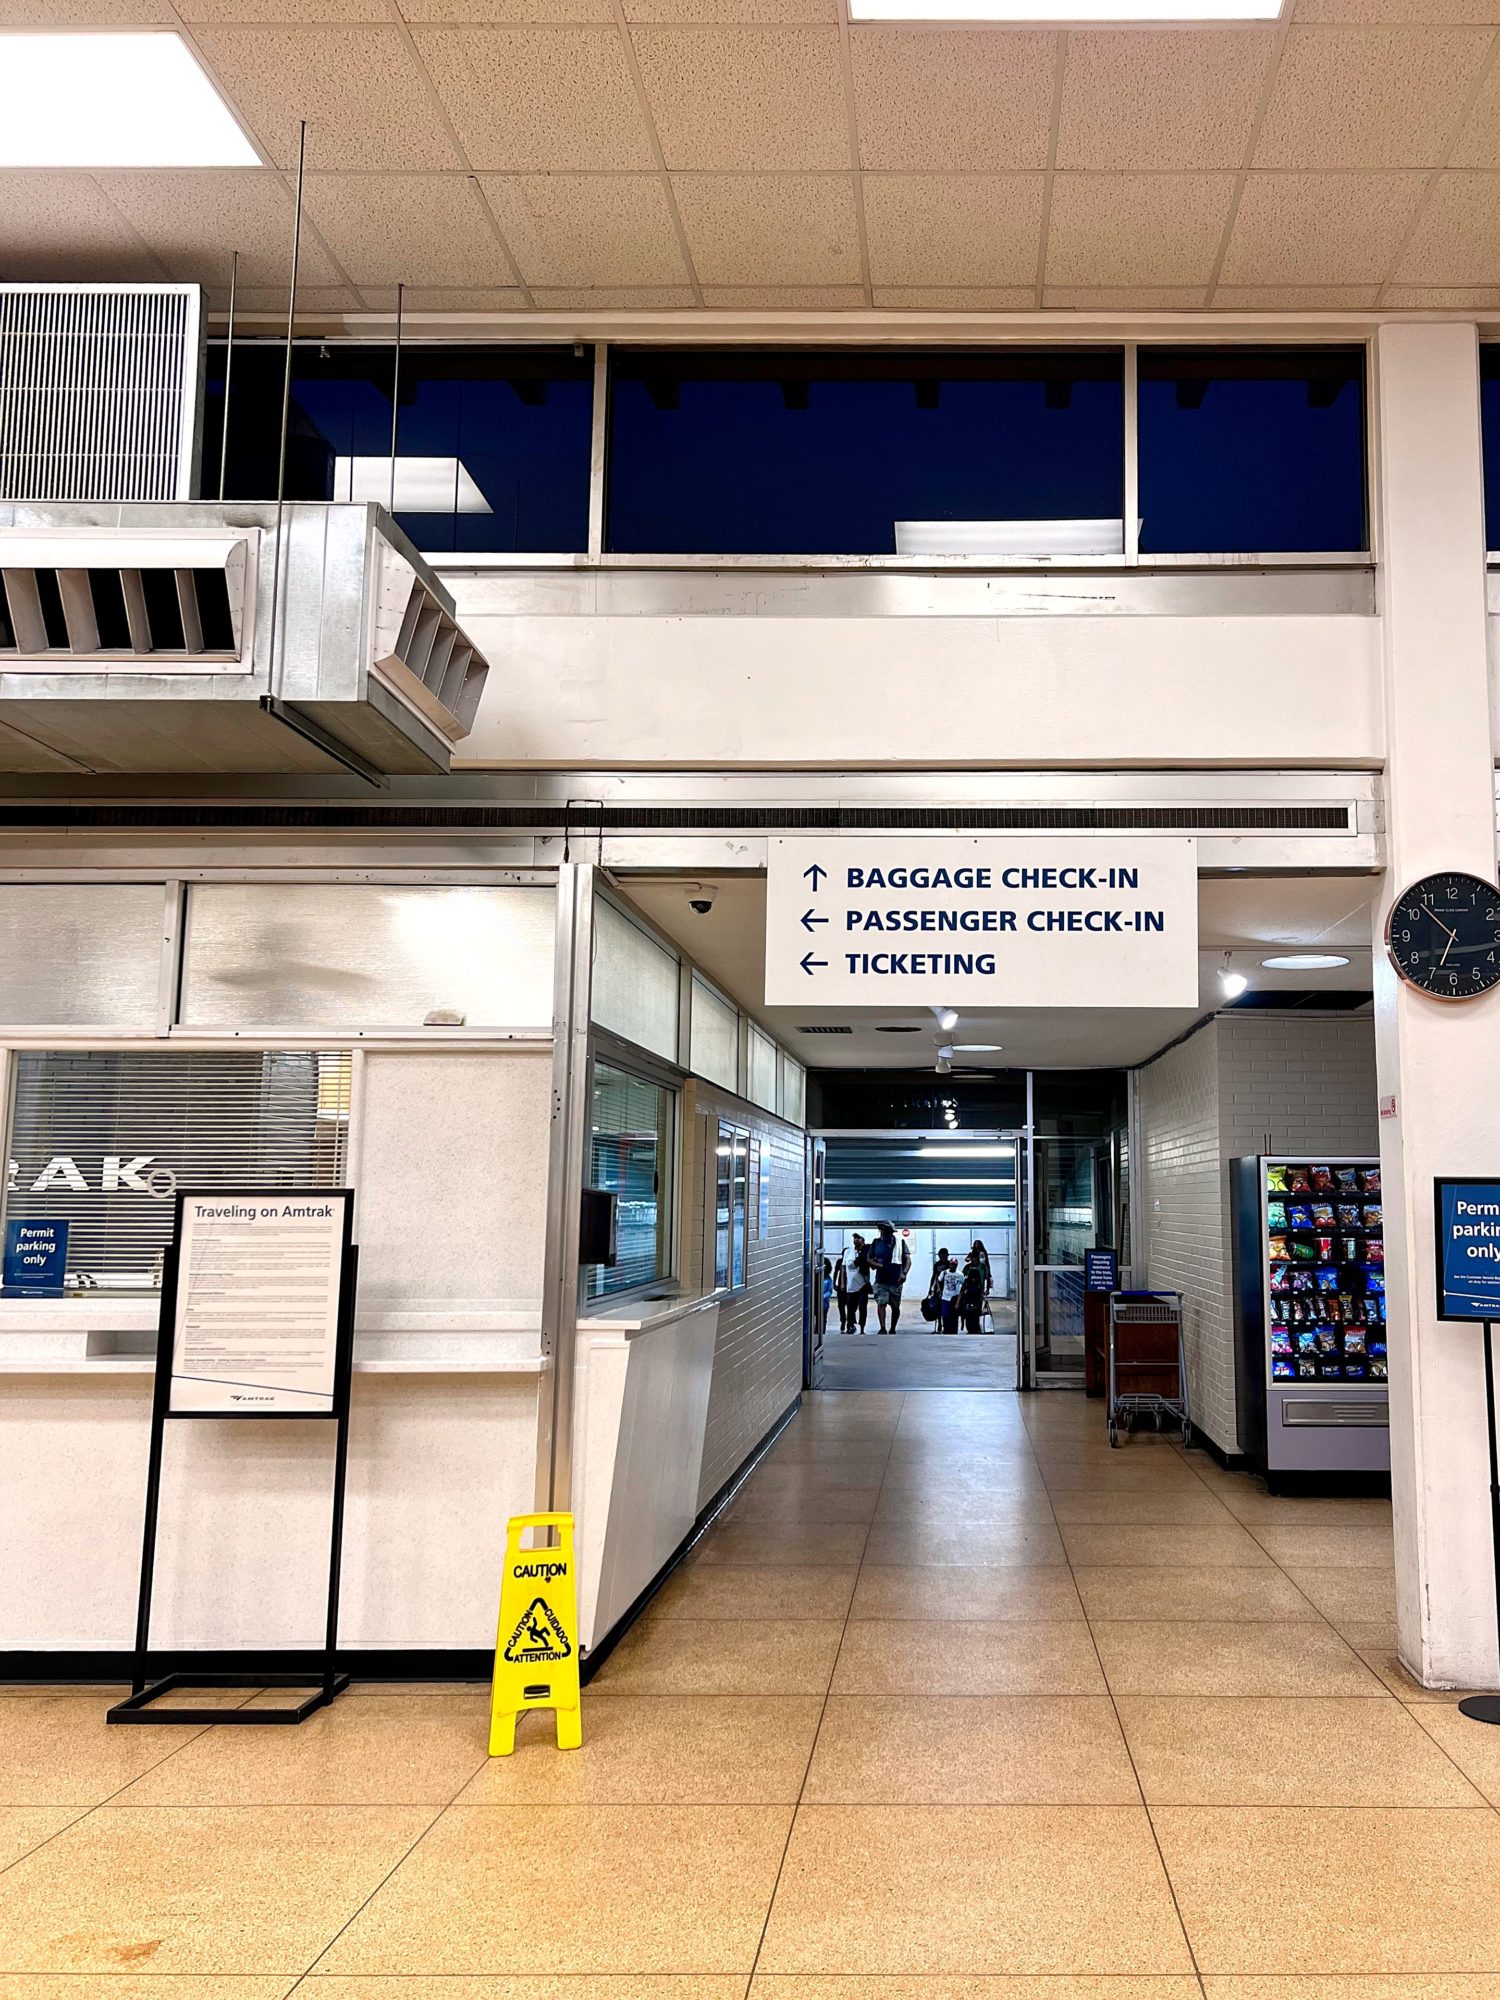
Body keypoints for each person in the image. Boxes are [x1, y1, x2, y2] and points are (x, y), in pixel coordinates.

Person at [869, 1221, 911, 1334]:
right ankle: (882, 1327)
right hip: (881, 1280)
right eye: (881, 1230)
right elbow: (869, 1258)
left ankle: (893, 1328)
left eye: (886, 1231)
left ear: (891, 1232)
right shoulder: (876, 1243)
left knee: (895, 1306)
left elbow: (907, 1259)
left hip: (896, 1280)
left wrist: (904, 1273)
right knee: (881, 1303)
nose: (883, 1233)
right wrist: (877, 1265)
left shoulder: (900, 1242)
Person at [837, 1233, 870, 1334]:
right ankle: (850, 1325)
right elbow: (843, 1268)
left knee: (862, 1307)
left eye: (858, 1238)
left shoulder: (867, 1251)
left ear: (863, 1240)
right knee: (851, 1307)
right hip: (850, 1285)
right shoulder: (848, 1251)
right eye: (855, 1238)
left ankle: (862, 1327)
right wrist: (842, 1283)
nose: (856, 1240)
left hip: (863, 1285)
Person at [959, 1250, 987, 1336]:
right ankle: (970, 1328)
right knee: (968, 1314)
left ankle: (975, 1328)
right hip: (969, 1297)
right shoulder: (967, 1271)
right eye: (973, 1258)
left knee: (976, 1314)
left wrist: (984, 1293)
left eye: (976, 1258)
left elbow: (986, 1277)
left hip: (976, 1297)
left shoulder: (982, 1267)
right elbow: (963, 1283)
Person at [938, 1253, 963, 1335]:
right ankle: (946, 1329)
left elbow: (962, 1288)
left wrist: (958, 1301)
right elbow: (938, 1280)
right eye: (951, 1264)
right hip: (945, 1297)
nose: (953, 1266)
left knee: (954, 1316)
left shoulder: (960, 1275)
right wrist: (938, 1289)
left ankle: (953, 1331)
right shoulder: (944, 1273)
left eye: (954, 1265)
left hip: (955, 1297)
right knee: (945, 1315)